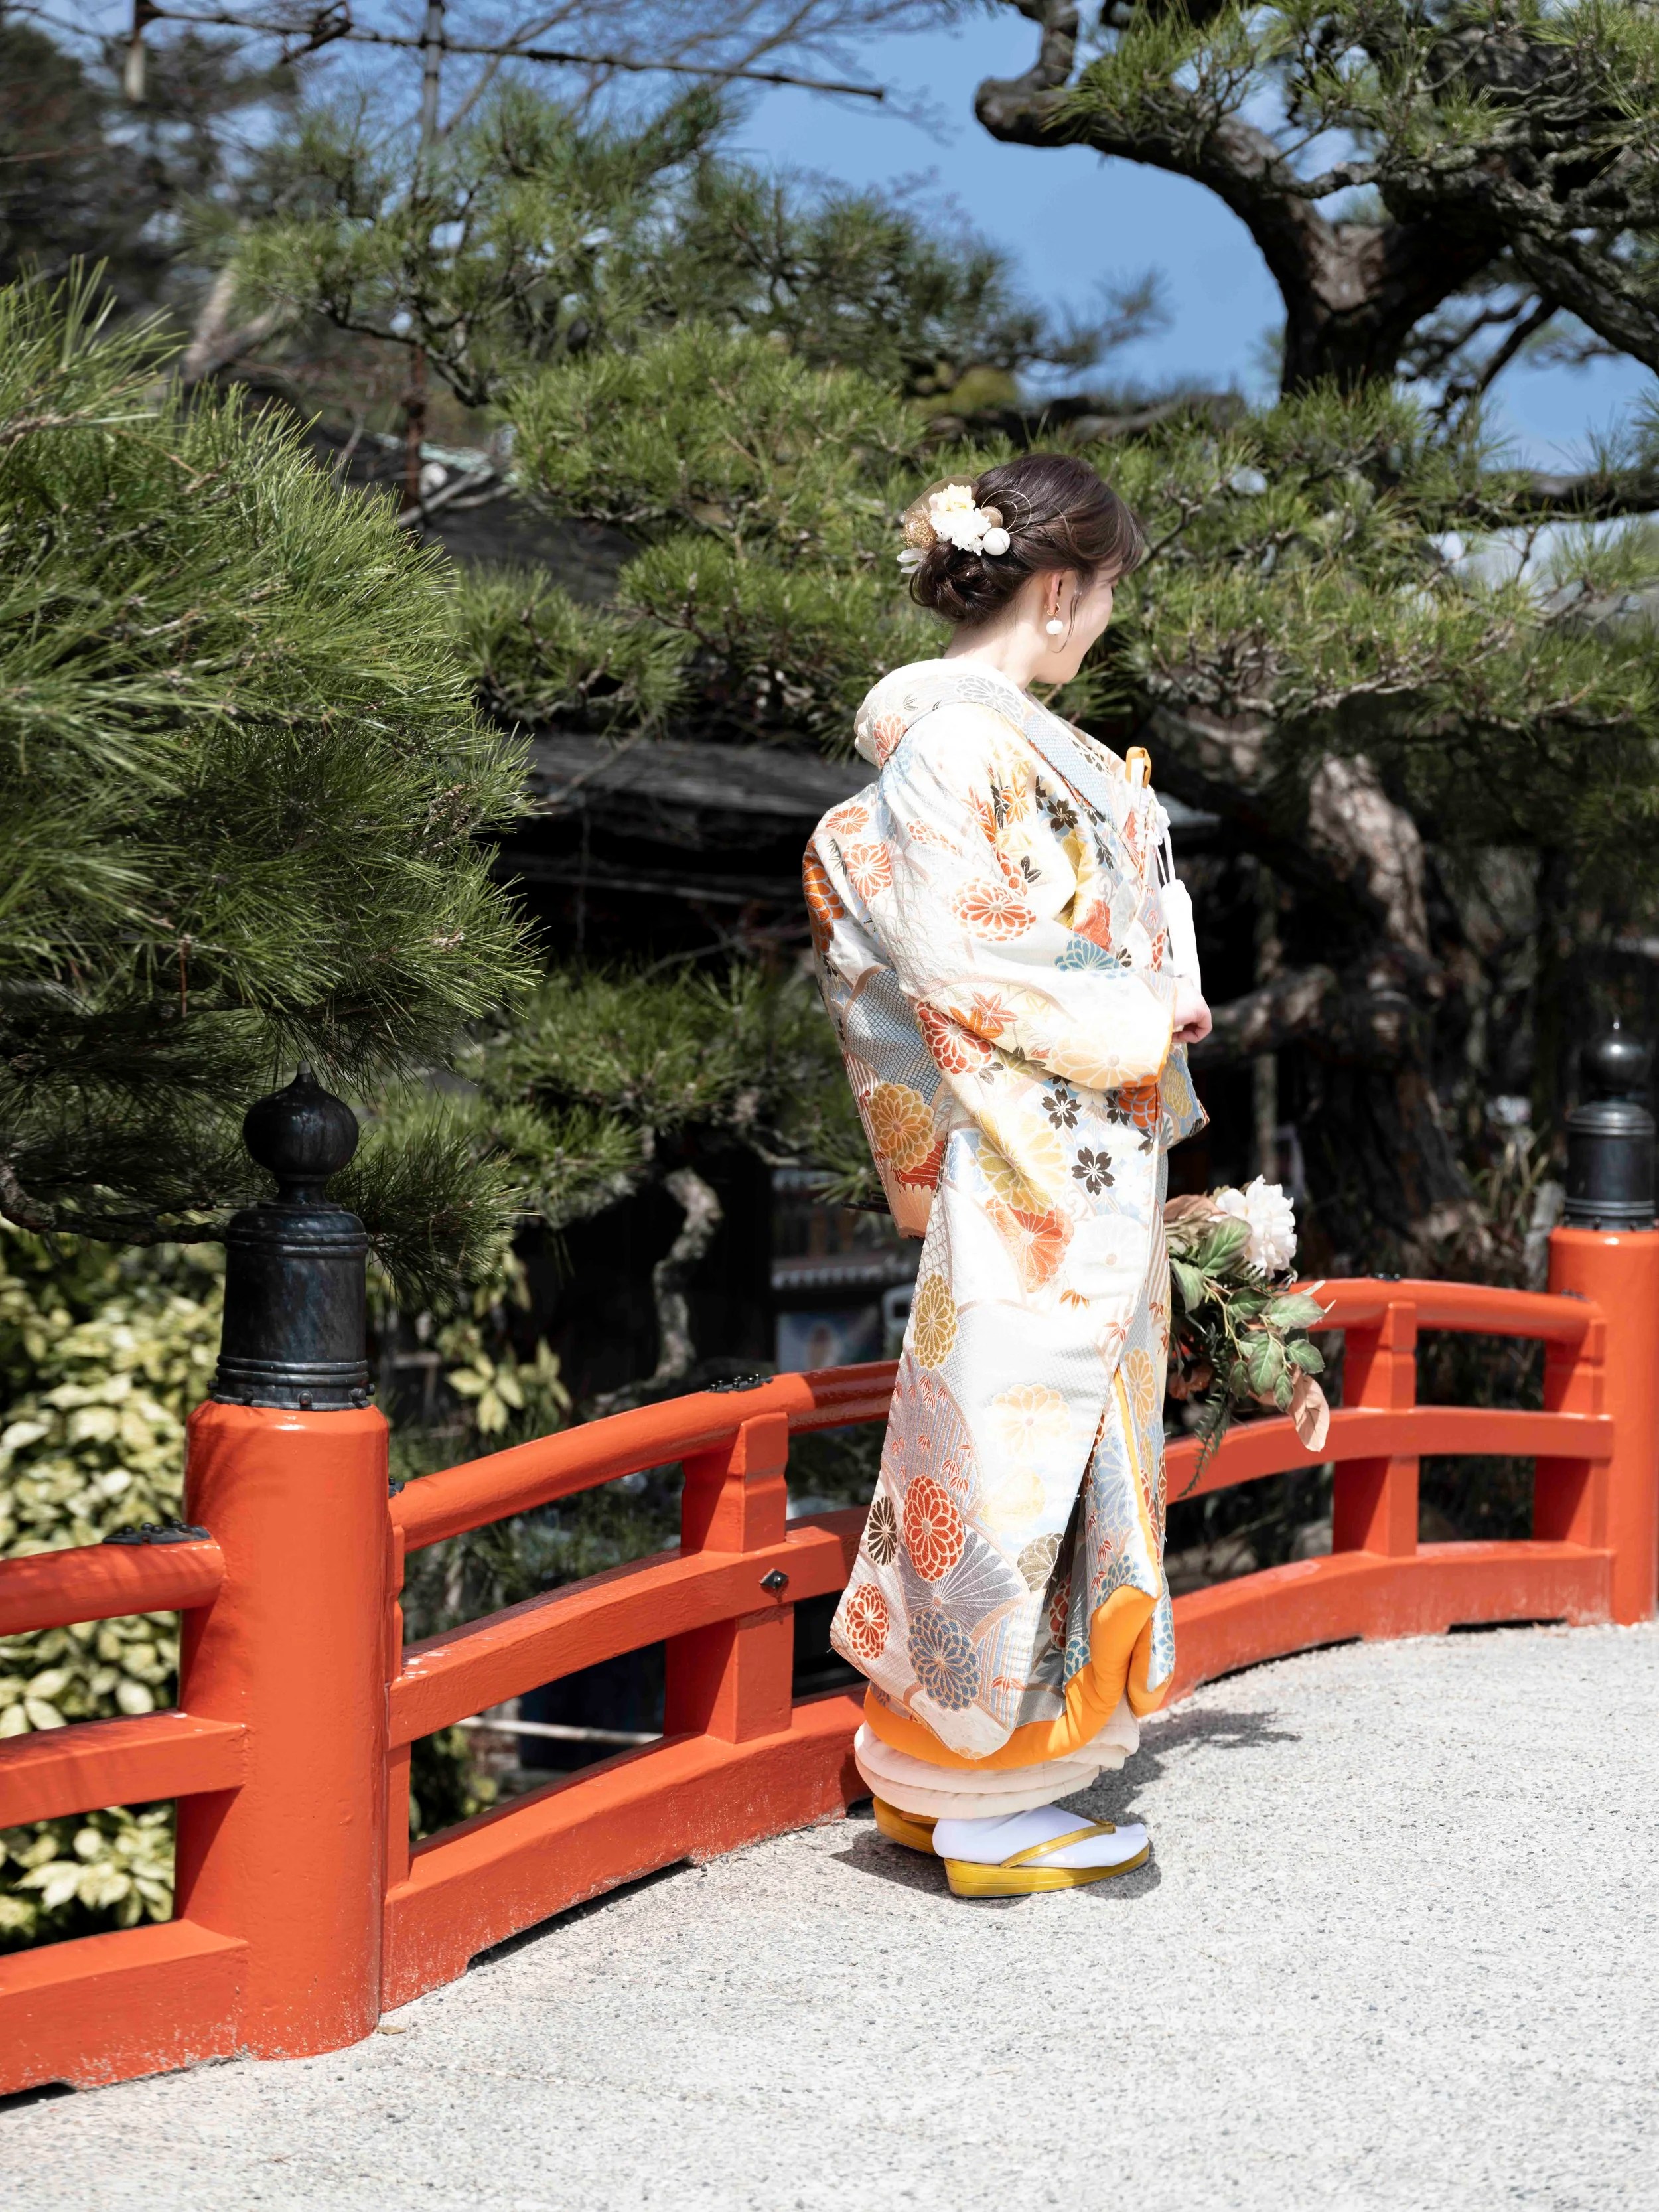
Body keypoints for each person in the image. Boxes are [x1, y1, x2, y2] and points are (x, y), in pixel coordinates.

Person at [804, 453, 1212, 1899]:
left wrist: (1153, 977)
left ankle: (936, 1775)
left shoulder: (1023, 749)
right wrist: (1141, 1008)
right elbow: (966, 950)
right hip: (1029, 1161)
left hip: (1064, 1151)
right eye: (1100, 596)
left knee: (1009, 1457)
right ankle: (993, 1799)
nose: (1099, 621)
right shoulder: (955, 750)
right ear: (1054, 591)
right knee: (1015, 1468)